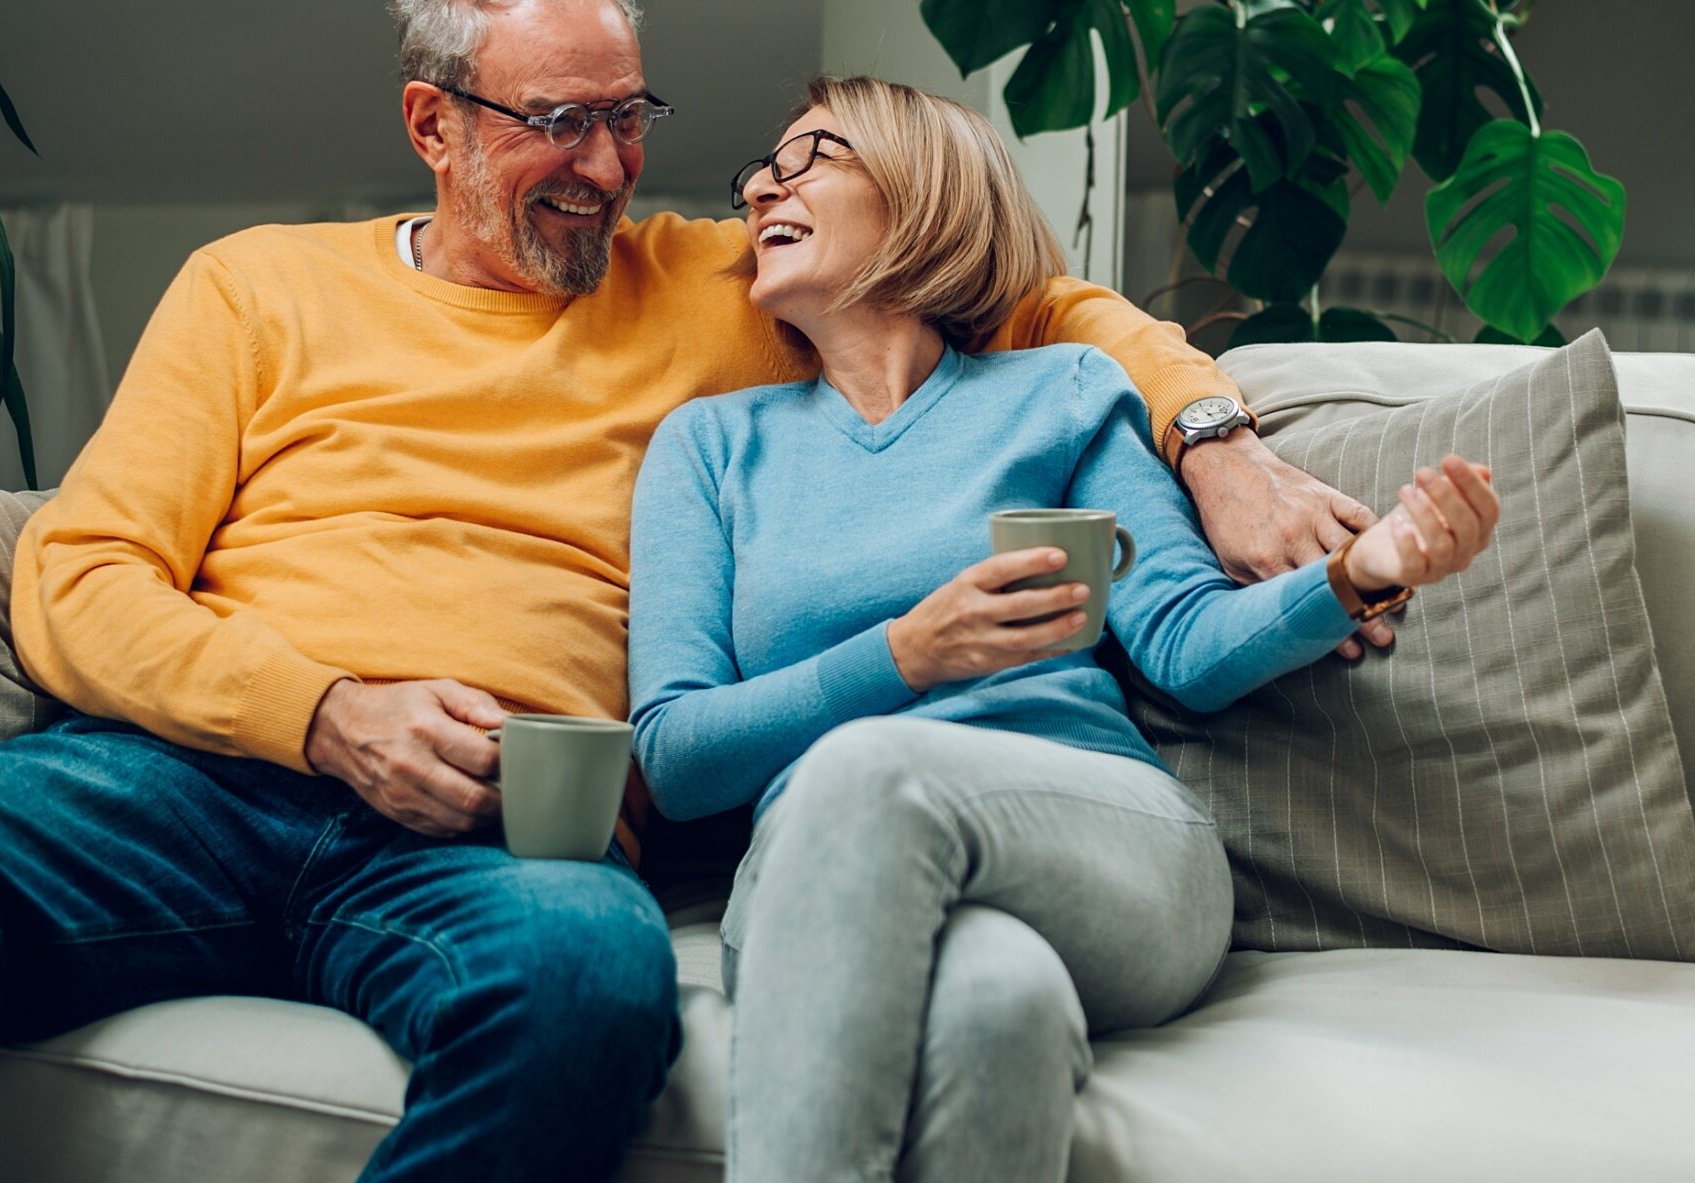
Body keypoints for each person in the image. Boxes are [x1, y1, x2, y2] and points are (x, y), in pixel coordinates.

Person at [0, 0, 1405, 1181]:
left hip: (502, 819)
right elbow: (73, 579)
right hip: (200, 781)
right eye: (556, 122)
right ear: (434, 123)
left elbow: (1036, 306)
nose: (606, 170)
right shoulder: (254, 288)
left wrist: (1216, 442)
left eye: (627, 117)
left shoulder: (722, 283)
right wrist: (326, 712)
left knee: (591, 993)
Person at [627, 76, 1503, 1183]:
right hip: (816, 873)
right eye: (763, 168)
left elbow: (1186, 641)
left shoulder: (1062, 393)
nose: (761, 186)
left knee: (869, 769)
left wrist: (1363, 568)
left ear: (918, 193)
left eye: (811, 158)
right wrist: (907, 653)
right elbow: (674, 753)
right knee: (999, 999)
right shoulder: (709, 448)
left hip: (1100, 839)